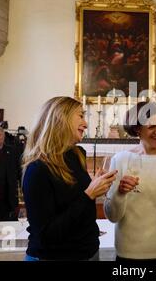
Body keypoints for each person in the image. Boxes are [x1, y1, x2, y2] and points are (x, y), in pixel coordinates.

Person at [22, 96, 116, 261]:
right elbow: (46, 235)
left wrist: (97, 184)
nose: (86, 124)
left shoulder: (76, 154)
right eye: (80, 116)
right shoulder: (37, 169)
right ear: (60, 118)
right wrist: (89, 194)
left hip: (89, 251)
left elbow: (73, 198)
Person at [104, 101, 156, 261]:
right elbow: (112, 216)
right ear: (137, 129)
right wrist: (120, 193)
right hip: (129, 251)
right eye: (151, 127)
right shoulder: (120, 160)